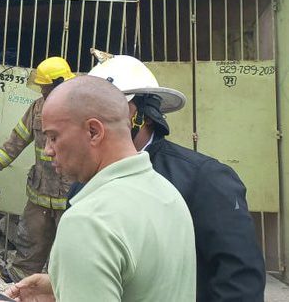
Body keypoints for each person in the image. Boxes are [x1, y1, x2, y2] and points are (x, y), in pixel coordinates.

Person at [0, 76, 196, 302]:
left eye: (54, 137)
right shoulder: (168, 195)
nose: (47, 151)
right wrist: (65, 288)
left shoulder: (88, 222)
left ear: (94, 131)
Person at [84, 54, 265, 301]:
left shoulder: (204, 179)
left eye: (108, 110)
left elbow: (239, 282)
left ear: (143, 114)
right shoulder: (85, 180)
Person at [0, 57, 75, 280]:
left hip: (70, 196)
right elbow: (17, 140)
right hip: (39, 192)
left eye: (45, 86)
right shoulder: (37, 108)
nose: (42, 90)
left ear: (59, 83)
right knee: (29, 240)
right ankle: (19, 281)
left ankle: (63, 288)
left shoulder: (80, 109)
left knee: (71, 247)